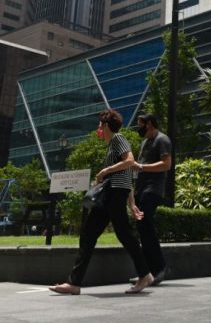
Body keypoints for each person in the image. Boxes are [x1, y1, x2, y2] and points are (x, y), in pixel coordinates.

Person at [49, 110, 153, 295]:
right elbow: (127, 175)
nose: (98, 128)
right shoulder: (112, 145)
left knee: (124, 234)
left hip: (114, 193)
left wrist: (105, 171)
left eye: (99, 125)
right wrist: (132, 203)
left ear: (105, 125)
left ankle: (145, 275)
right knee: (89, 234)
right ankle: (74, 284)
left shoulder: (118, 139)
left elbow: (129, 161)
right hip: (110, 194)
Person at [130, 113, 172, 285]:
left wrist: (142, 166)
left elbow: (166, 164)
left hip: (153, 189)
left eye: (141, 124)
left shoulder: (162, 140)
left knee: (146, 225)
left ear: (149, 124)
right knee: (142, 228)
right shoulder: (145, 142)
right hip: (141, 189)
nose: (139, 127)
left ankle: (160, 268)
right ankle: (146, 273)